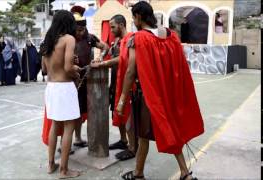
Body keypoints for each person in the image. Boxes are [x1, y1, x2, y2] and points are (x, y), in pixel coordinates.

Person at [116, 2, 204, 180]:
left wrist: (122, 99)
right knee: (171, 131)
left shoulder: (138, 38)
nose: (133, 21)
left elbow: (131, 71)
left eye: (134, 17)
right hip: (167, 94)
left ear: (139, 17)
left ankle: (139, 174)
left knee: (142, 136)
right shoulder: (171, 35)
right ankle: (185, 173)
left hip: (148, 96)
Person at [91, 14, 136, 161]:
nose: (110, 30)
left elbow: (122, 59)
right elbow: (109, 52)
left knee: (128, 115)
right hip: (115, 82)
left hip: (126, 83)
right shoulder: (116, 41)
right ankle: (123, 141)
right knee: (117, 112)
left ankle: (132, 148)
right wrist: (101, 56)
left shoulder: (129, 39)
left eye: (113, 27)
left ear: (122, 25)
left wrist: (103, 64)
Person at [42, 10, 81, 179]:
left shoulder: (48, 41)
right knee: (68, 128)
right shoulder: (69, 39)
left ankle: (51, 164)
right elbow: (67, 67)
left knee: (54, 125)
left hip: (51, 87)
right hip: (64, 88)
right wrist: (76, 72)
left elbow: (44, 69)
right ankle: (64, 170)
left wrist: (70, 65)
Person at [70, 5, 109, 148]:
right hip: (71, 79)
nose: (79, 33)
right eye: (77, 30)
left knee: (82, 110)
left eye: (82, 30)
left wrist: (100, 58)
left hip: (87, 78)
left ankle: (78, 138)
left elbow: (105, 47)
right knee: (70, 111)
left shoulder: (89, 38)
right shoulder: (68, 38)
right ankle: (66, 141)